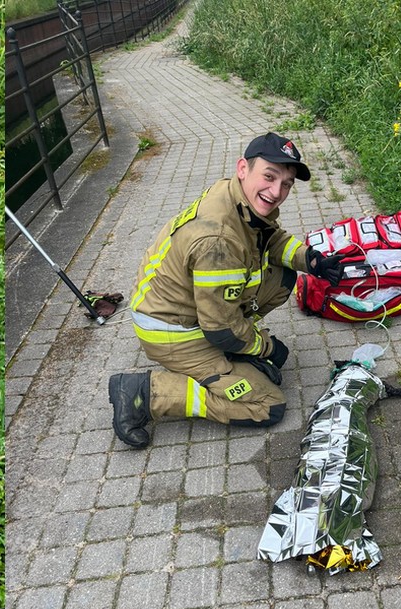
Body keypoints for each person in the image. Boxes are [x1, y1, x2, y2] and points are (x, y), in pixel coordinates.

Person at [109, 133, 345, 448]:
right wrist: (264, 348)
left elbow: (270, 239)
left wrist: (311, 260)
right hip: (173, 334)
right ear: (243, 168)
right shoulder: (219, 241)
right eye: (270, 177)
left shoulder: (234, 195)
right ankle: (145, 393)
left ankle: (234, 351)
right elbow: (219, 328)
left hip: (185, 310)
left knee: (282, 274)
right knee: (268, 405)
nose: (277, 192)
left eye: (286, 184)